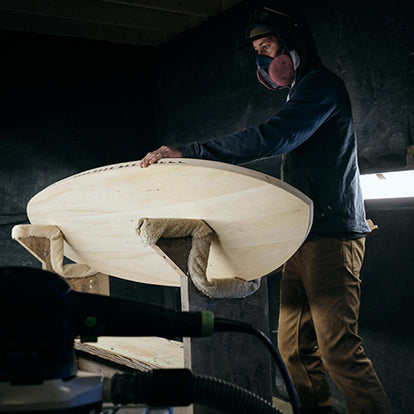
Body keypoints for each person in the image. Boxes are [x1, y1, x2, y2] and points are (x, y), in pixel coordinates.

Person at [140, 6, 391, 414]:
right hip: (302, 235)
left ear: (293, 45)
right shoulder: (302, 91)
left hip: (332, 236)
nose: (262, 58)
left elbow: (274, 136)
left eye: (267, 46)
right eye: (257, 50)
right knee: (293, 349)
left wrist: (193, 153)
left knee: (338, 349)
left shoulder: (321, 87)